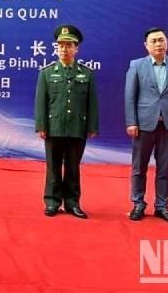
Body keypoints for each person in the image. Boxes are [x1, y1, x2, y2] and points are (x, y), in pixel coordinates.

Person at [124, 27, 168, 224]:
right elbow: (130, 96)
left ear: (167, 42)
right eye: (154, 41)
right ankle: (138, 204)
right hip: (143, 124)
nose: (158, 44)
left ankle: (162, 206)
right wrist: (131, 122)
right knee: (139, 167)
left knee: (164, 168)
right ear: (146, 45)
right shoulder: (136, 65)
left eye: (161, 40)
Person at [35, 24, 98, 219]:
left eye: (69, 45)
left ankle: (72, 203)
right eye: (61, 45)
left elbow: (92, 102)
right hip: (53, 127)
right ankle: (53, 202)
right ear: (56, 48)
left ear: (76, 48)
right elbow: (41, 102)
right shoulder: (46, 73)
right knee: (53, 166)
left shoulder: (86, 74)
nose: (64, 49)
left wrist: (92, 126)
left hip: (77, 127)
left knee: (73, 166)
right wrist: (41, 125)